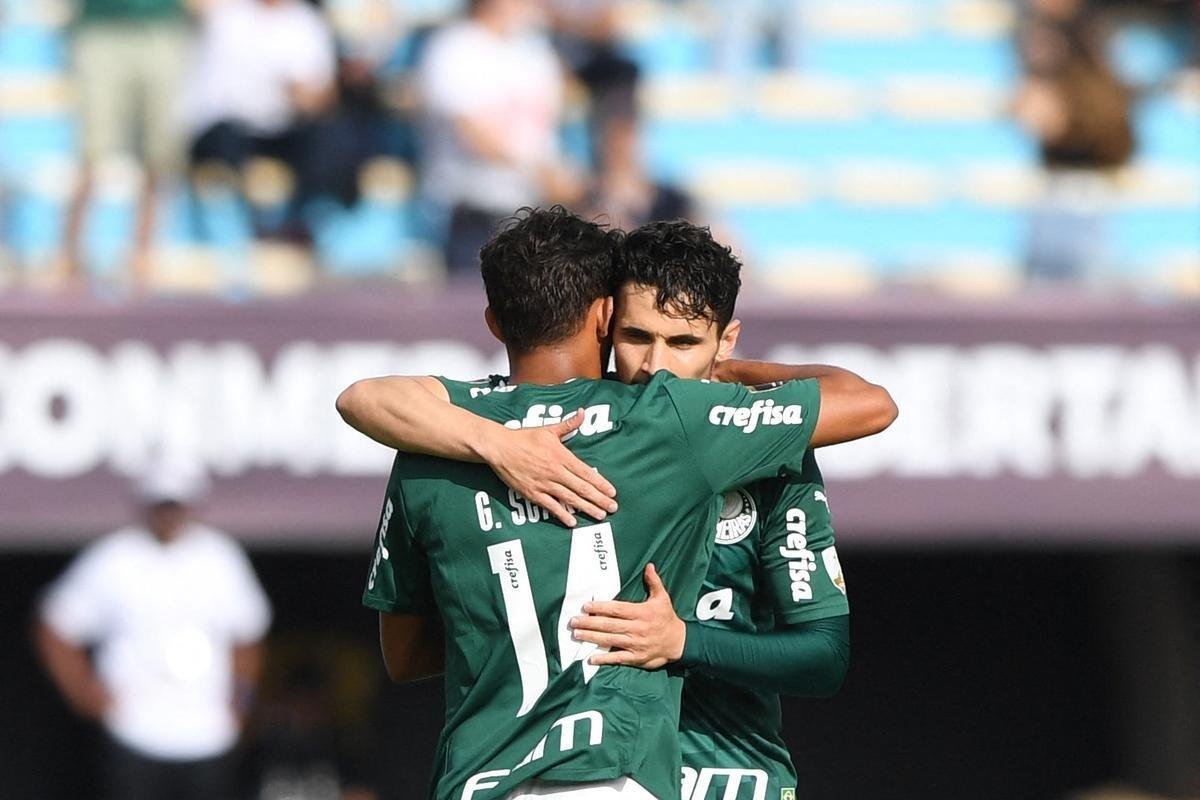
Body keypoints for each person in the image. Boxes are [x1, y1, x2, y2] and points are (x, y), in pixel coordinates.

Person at [335, 206, 897, 799]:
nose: (657, 367)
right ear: (606, 321)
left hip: (725, 773)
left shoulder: (435, 436)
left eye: (684, 343)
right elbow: (867, 402)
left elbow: (824, 655)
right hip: (611, 768)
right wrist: (503, 448)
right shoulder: (665, 425)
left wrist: (683, 642)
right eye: (637, 337)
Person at [34, 458, 272, 800]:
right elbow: (55, 625)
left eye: (175, 505)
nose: (168, 515)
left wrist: (242, 702)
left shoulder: (220, 557)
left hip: (207, 733)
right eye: (161, 505)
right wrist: (84, 692)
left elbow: (248, 635)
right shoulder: (115, 557)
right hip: (135, 730)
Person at [415, 0, 581, 274]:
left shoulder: (534, 49)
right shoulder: (454, 47)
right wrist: (540, 173)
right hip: (475, 218)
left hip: (533, 215)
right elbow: (471, 133)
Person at [61, 0, 191, 286]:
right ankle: (71, 256)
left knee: (160, 153)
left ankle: (142, 257)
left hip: (160, 29)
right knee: (92, 150)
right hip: (100, 30)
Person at [185, 0, 338, 241]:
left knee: (329, 141)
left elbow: (321, 96)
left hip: (281, 129)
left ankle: (303, 224)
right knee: (222, 147)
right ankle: (231, 235)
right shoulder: (227, 13)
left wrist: (304, 96)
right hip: (228, 128)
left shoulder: (305, 21)